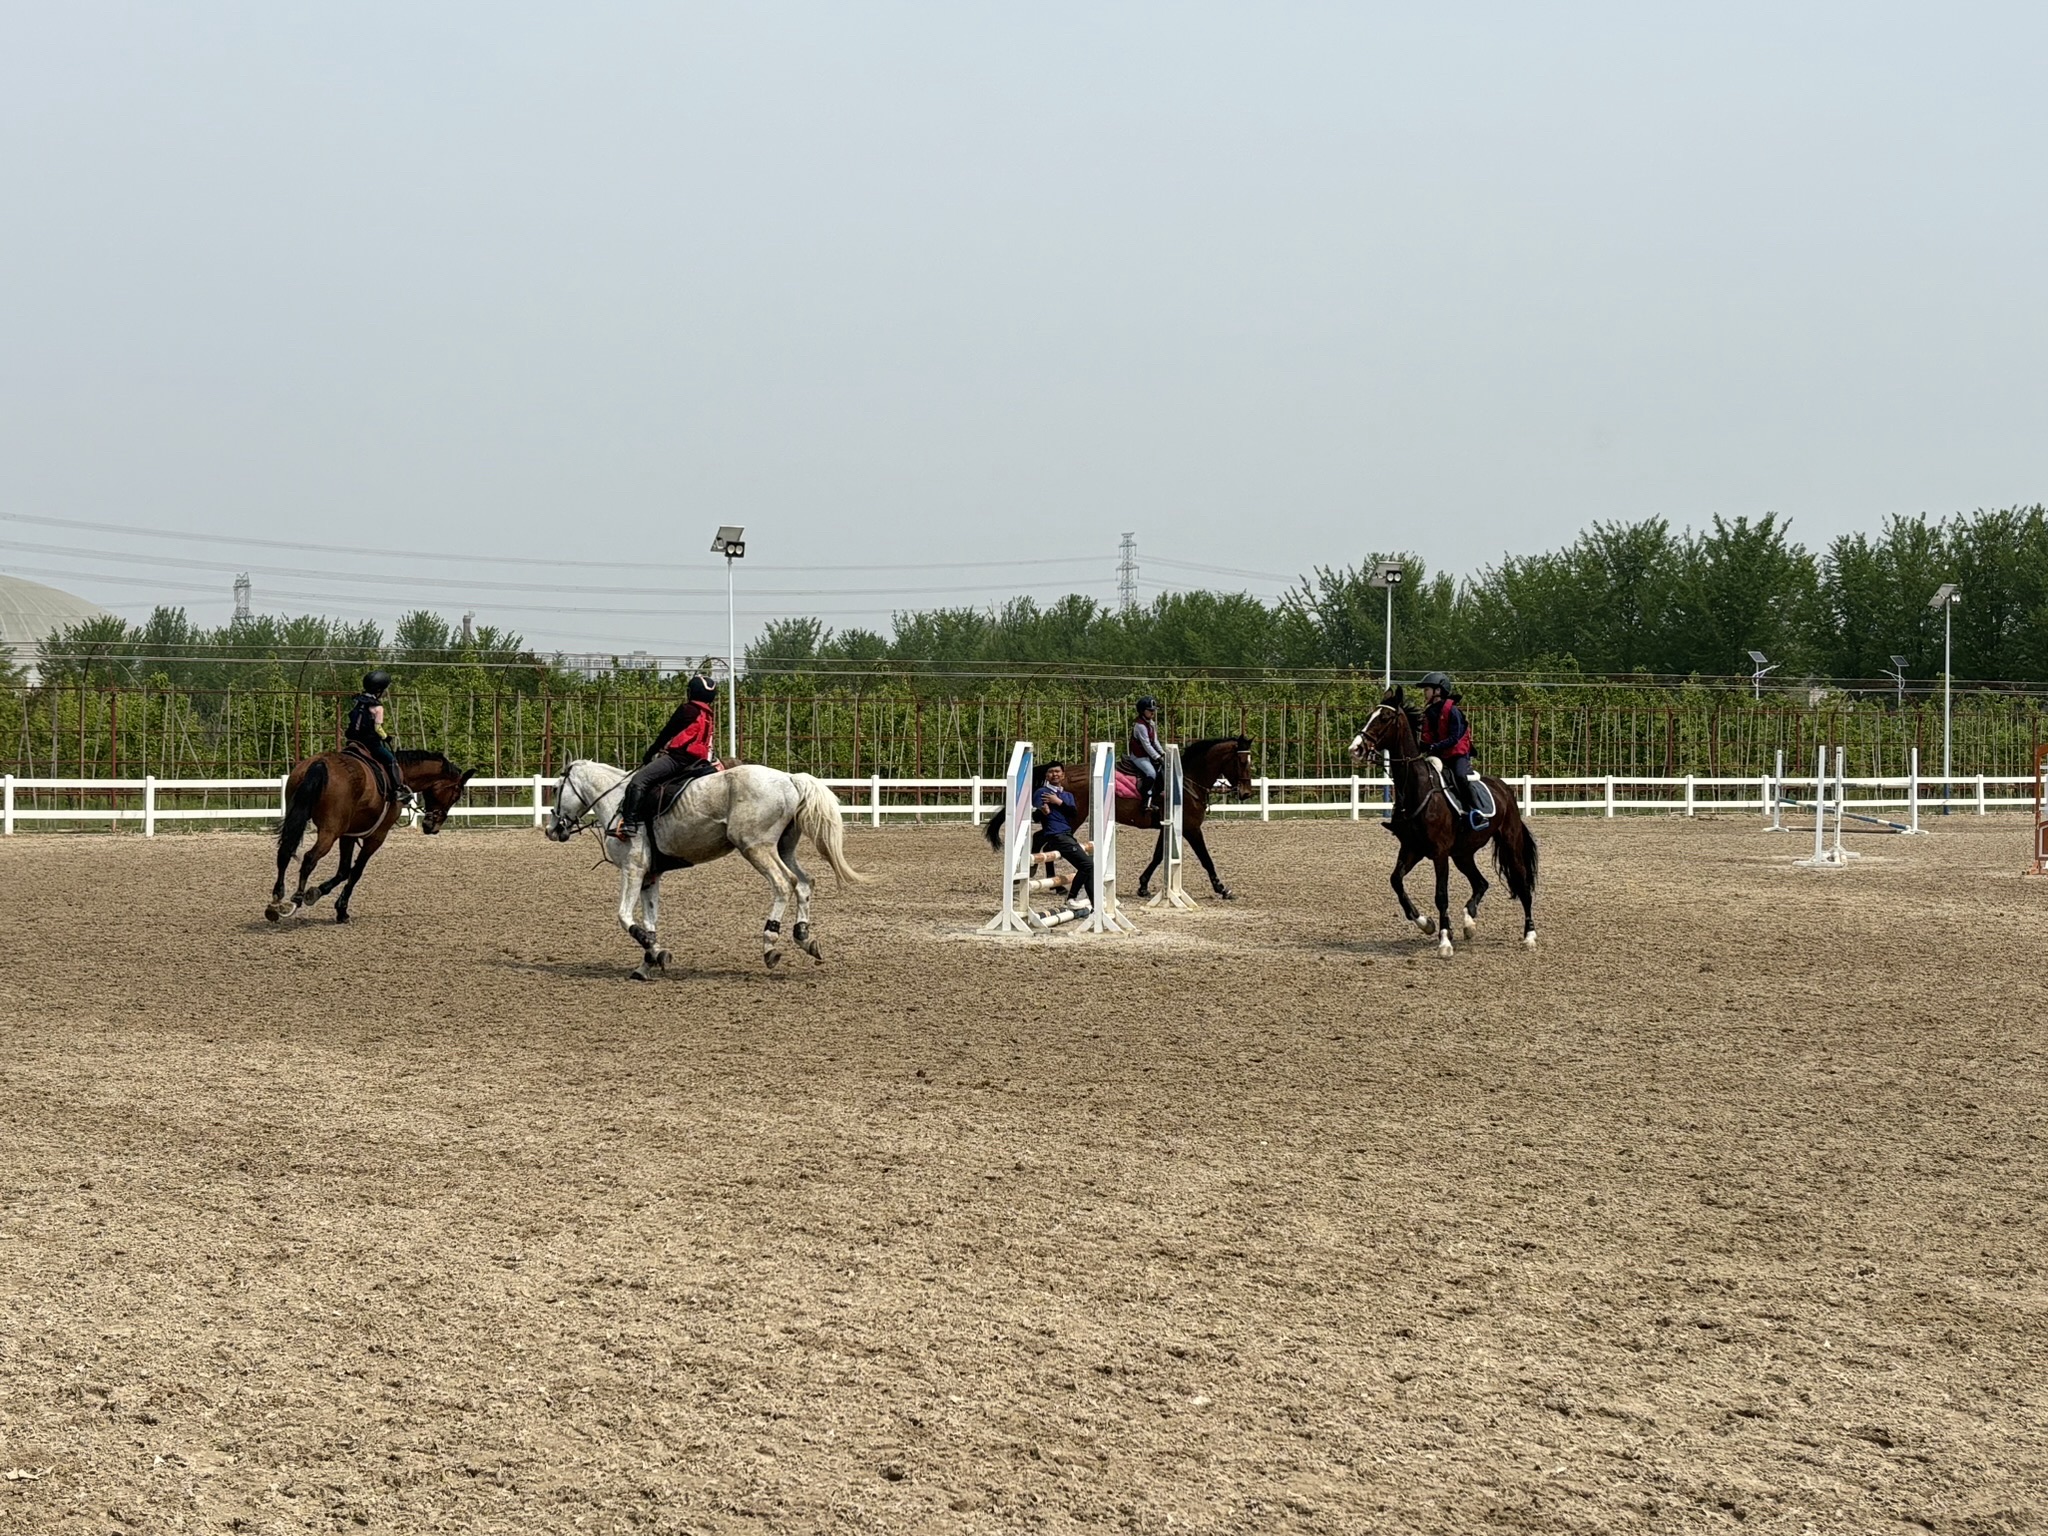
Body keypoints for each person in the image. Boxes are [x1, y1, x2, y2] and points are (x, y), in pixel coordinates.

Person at [613, 671, 720, 841]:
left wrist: (649, 754)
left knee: (639, 780)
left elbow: (666, 733)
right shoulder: (708, 714)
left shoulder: (687, 710)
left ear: (691, 692)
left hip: (678, 759)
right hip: (699, 761)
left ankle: (630, 823)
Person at [1419, 670, 1485, 827]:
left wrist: (1435, 746)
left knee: (1460, 776)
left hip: (1457, 755)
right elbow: (1427, 735)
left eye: (1427, 689)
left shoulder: (1453, 711)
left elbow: (1454, 738)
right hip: (1439, 755)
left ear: (1438, 691)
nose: (1424, 693)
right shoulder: (1428, 712)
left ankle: (1475, 811)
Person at [345, 669, 412, 807]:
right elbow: (378, 728)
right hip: (370, 743)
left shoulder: (358, 700)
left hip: (353, 741)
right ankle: (398, 790)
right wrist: (386, 737)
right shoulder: (377, 707)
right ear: (379, 690)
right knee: (391, 760)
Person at [1034, 762, 1093, 909]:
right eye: (1051, 772)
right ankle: (1072, 898)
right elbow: (1036, 814)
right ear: (1046, 776)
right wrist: (1043, 810)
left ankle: (1095, 903)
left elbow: (1073, 813)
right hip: (1056, 835)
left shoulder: (1067, 795)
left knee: (1088, 867)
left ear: (1063, 775)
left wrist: (1058, 802)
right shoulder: (1042, 792)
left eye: (1057, 772)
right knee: (1088, 865)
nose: (1055, 774)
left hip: (1067, 834)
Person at [1129, 694, 1165, 819]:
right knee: (1151, 773)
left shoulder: (1151, 724)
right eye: (1150, 710)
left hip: (1148, 756)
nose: (1152, 713)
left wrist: (1163, 753)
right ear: (1142, 711)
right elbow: (1146, 745)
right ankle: (1146, 801)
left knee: (1161, 771)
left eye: (1153, 710)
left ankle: (1157, 797)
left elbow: (1155, 742)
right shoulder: (1139, 726)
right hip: (1138, 756)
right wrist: (1157, 757)